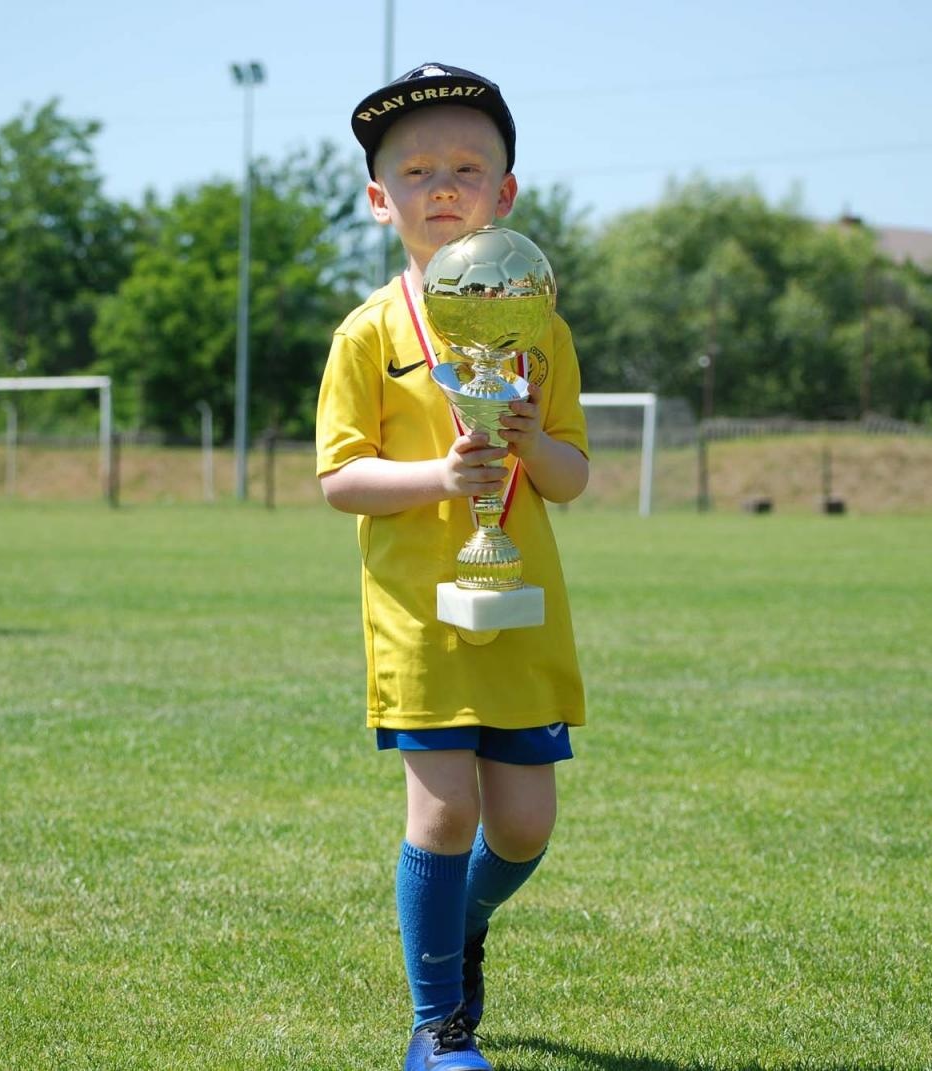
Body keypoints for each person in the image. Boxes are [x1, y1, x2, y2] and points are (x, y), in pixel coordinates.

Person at [315, 63, 590, 1071]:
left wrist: (523, 439)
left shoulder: (543, 328)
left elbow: (569, 476)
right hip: (417, 612)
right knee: (444, 806)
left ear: (505, 194)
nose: (442, 186)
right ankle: (439, 1028)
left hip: (519, 603)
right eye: (416, 169)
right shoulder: (367, 334)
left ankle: (460, 928)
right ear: (378, 198)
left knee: (520, 828)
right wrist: (440, 472)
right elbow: (341, 480)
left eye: (466, 168)